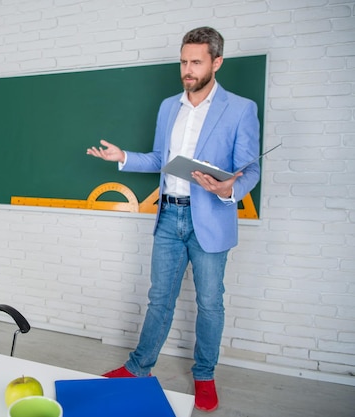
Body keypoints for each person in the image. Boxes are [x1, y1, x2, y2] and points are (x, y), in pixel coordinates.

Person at [86, 27, 260, 412]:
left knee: (210, 303)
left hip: (210, 218)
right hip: (169, 216)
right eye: (183, 61)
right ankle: (139, 368)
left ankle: (204, 375)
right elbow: (160, 160)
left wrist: (225, 189)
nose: (187, 69)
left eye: (196, 62)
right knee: (159, 299)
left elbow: (251, 170)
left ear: (217, 62)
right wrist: (122, 157)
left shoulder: (241, 108)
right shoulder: (169, 107)